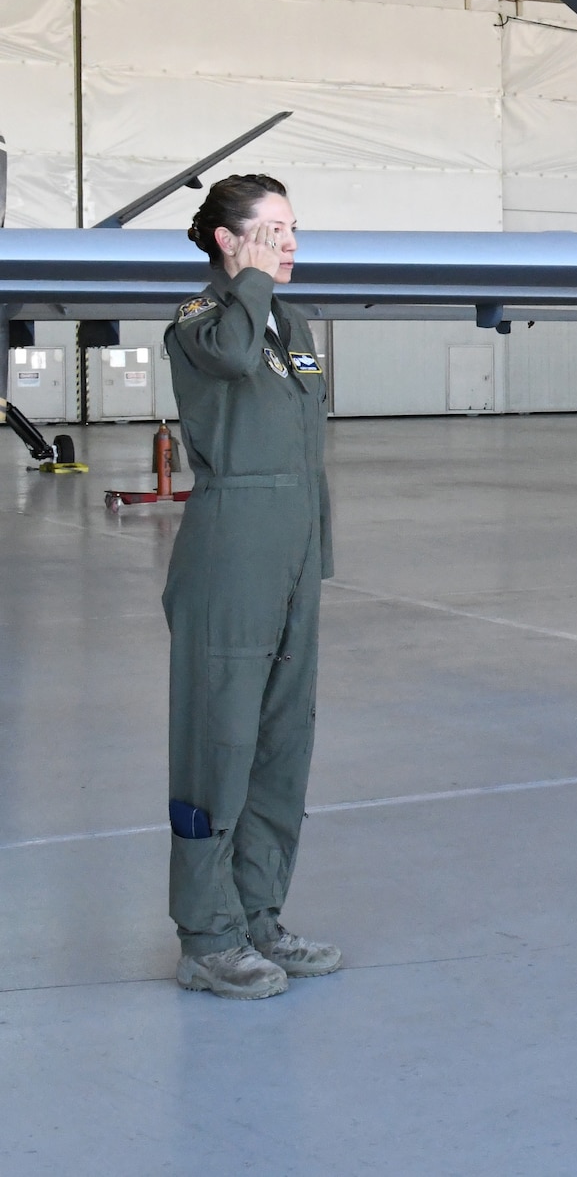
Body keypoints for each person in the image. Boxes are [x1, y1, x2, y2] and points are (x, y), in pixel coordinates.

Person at [163, 174, 341, 1000]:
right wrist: (253, 283)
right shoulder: (201, 323)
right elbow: (234, 358)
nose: (290, 244)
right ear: (227, 242)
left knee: (280, 745)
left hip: (296, 556)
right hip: (231, 553)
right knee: (220, 744)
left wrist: (316, 556)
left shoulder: (293, 323)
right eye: (271, 231)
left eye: (293, 229)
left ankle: (259, 915)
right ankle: (208, 936)